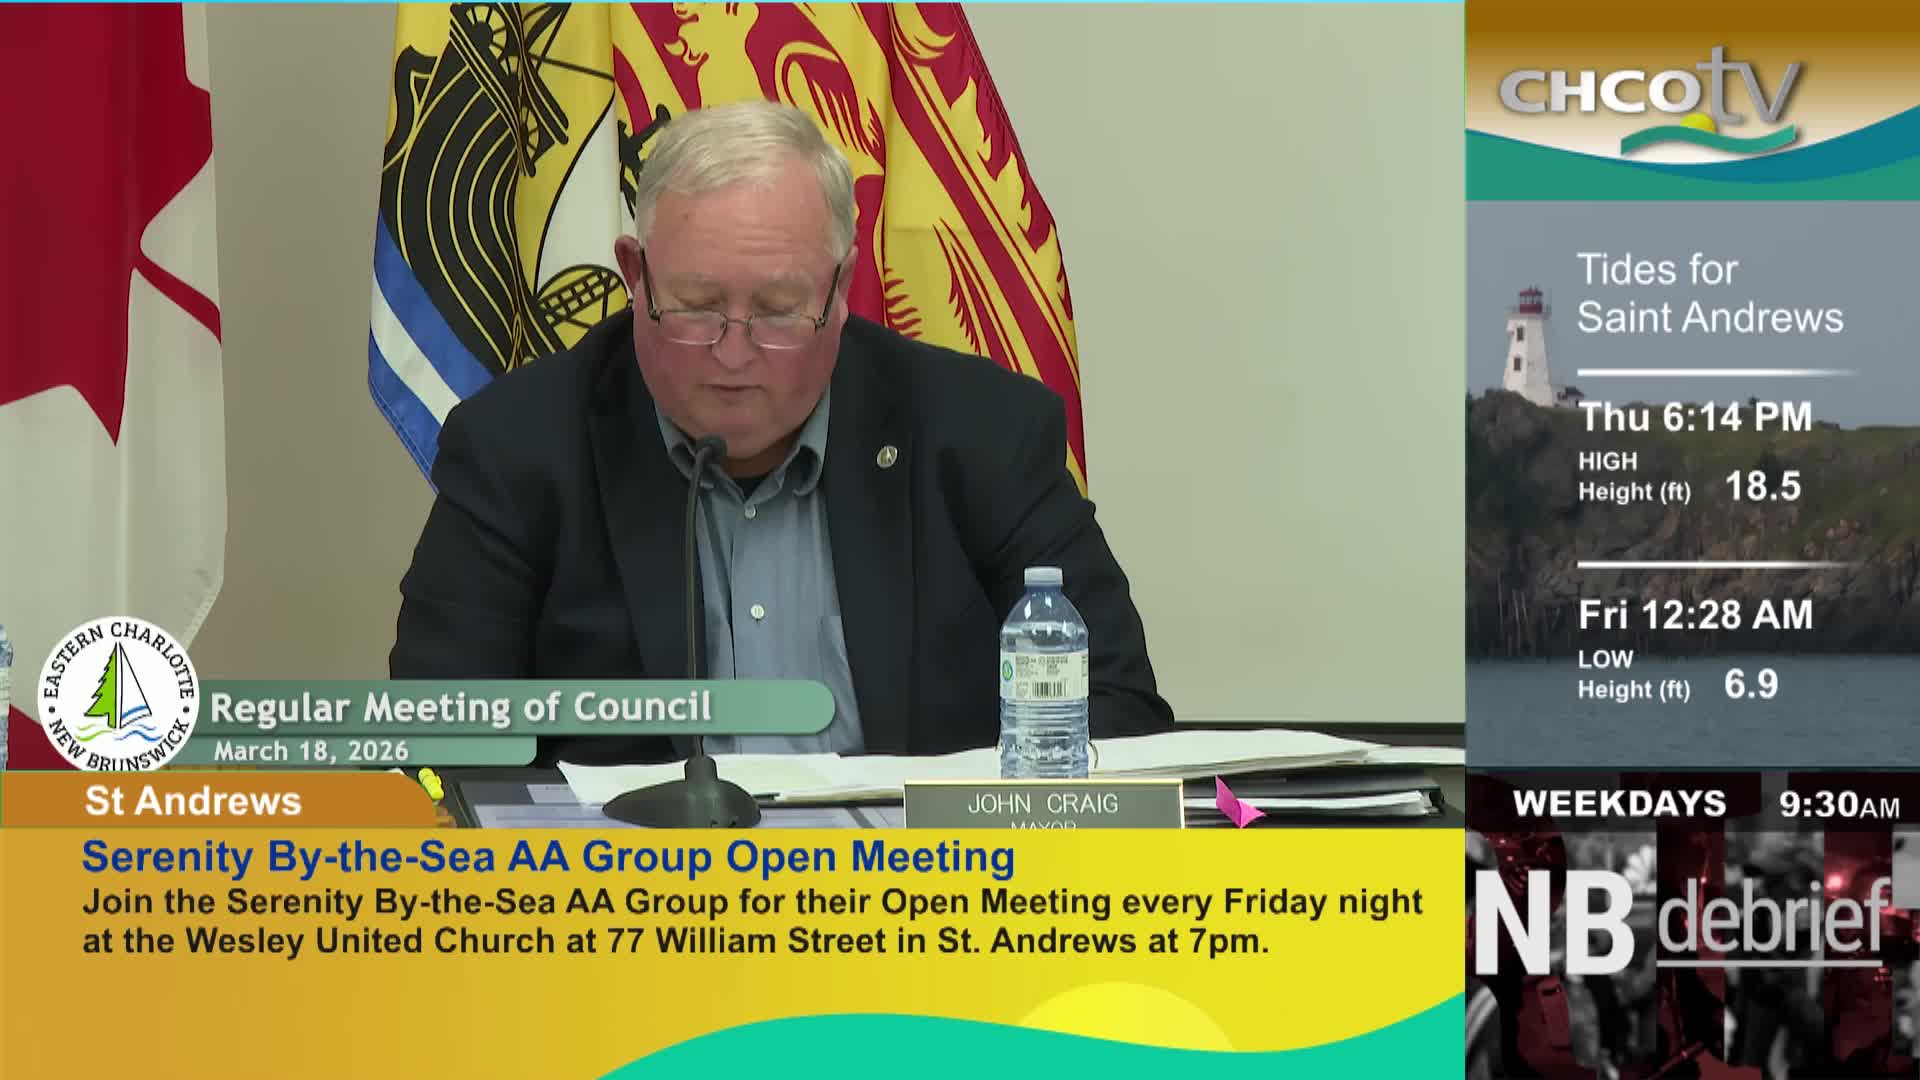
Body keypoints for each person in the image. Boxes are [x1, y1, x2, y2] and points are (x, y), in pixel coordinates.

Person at [389, 100, 1172, 765]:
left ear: (841, 291)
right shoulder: (516, 449)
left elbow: (1116, 715)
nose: (734, 352)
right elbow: (439, 744)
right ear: (634, 274)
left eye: (778, 310)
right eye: (695, 305)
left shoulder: (982, 434)